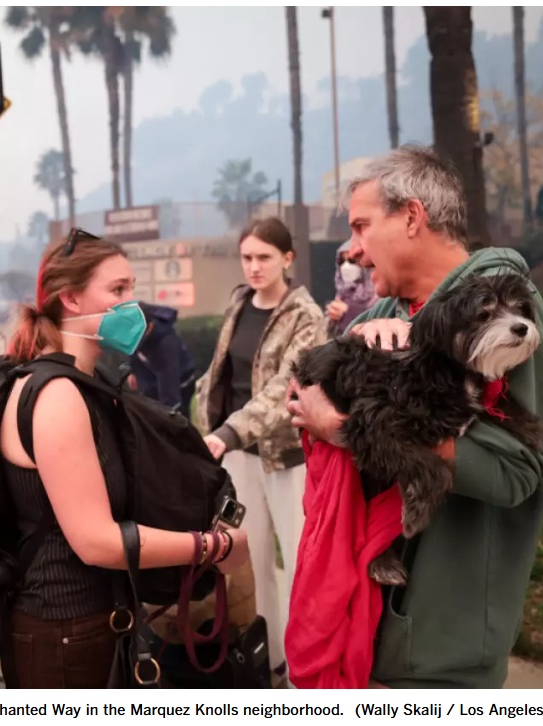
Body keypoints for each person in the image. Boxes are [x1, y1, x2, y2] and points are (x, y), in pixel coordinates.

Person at [286, 145, 543, 689]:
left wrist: (356, 432)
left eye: (362, 227)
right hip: (366, 631)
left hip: (446, 651)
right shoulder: (380, 315)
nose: (354, 251)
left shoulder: (502, 308)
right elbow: (300, 397)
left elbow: (530, 470)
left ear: (412, 217)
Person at [0, 228, 250, 689]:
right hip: (64, 635)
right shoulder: (57, 396)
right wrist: (211, 547)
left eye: (131, 288)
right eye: (117, 290)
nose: (131, 304)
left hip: (96, 624)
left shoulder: (87, 384)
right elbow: (96, 541)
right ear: (71, 298)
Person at [194, 216, 327, 685]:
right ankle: (263, 657)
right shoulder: (238, 302)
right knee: (245, 564)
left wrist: (225, 434)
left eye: (264, 258)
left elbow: (281, 390)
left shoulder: (307, 317)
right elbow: (219, 376)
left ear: (287, 259)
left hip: (288, 457)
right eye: (247, 257)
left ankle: (301, 667)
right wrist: (200, 428)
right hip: (236, 454)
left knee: (296, 560)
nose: (254, 267)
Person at [128, 302, 197, 418]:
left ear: (150, 326)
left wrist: (168, 417)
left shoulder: (165, 345)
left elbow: (170, 391)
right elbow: (133, 351)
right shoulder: (136, 332)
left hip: (181, 382)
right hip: (152, 375)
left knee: (175, 417)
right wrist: (134, 372)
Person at [325, 240, 378, 337]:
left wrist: (347, 313)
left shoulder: (380, 294)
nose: (345, 266)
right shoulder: (341, 294)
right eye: (342, 261)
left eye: (352, 261)